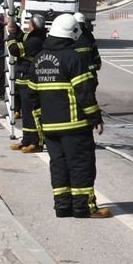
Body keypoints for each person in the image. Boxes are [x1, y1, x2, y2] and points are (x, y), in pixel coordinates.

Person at [34, 14, 108, 218]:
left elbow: (32, 94)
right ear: (72, 33)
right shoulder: (73, 58)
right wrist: (96, 118)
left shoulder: (39, 59)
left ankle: (63, 207)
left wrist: (38, 124)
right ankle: (83, 208)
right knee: (81, 166)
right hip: (74, 125)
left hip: (49, 126)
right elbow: (84, 92)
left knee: (58, 166)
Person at [11, 14, 46, 152]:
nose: (28, 26)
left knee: (32, 113)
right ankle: (26, 139)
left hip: (30, 80)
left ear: (33, 26)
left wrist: (11, 36)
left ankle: (36, 142)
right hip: (23, 78)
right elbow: (23, 37)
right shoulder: (33, 37)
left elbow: (14, 50)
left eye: (29, 24)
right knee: (26, 112)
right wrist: (16, 28)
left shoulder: (36, 40)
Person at [72, 12, 101, 79]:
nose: (78, 26)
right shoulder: (69, 36)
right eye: (77, 24)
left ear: (83, 24)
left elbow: (97, 62)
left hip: (88, 77)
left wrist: (88, 68)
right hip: (73, 74)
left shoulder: (89, 36)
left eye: (80, 24)